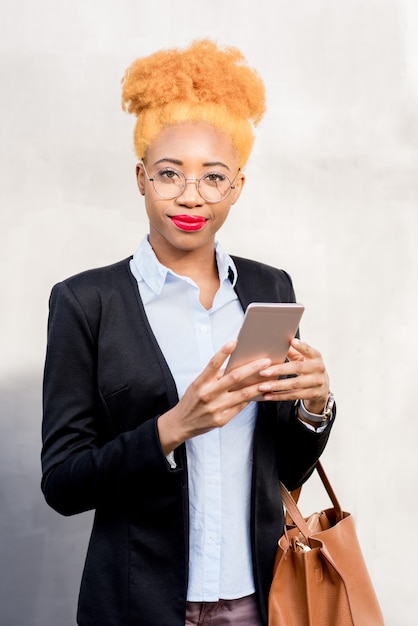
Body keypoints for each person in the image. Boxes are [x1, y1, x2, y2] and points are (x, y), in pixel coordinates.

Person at [41, 39, 336, 626]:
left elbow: (287, 469)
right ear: (141, 177)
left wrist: (313, 404)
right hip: (138, 603)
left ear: (239, 186)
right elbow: (64, 483)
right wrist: (174, 428)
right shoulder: (86, 301)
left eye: (214, 177)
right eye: (169, 174)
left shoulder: (269, 287)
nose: (191, 196)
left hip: (259, 597)